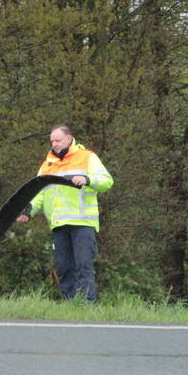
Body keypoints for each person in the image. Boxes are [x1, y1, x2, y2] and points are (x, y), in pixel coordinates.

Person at [17, 125, 113, 302]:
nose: (54, 144)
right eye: (52, 141)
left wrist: (87, 179)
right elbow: (40, 194)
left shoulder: (87, 157)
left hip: (83, 222)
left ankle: (87, 305)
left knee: (83, 265)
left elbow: (107, 181)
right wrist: (29, 210)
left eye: (58, 140)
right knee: (64, 267)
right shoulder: (47, 164)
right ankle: (70, 304)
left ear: (69, 139)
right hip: (58, 224)